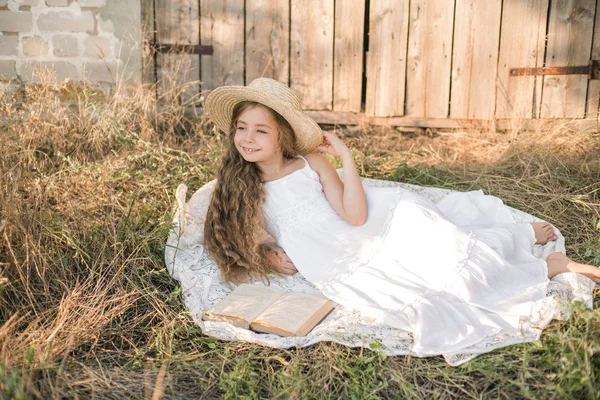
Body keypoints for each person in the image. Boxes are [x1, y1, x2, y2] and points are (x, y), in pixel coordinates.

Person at [202, 78, 599, 356]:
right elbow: (235, 235)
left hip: (369, 232)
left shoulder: (311, 163)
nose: (247, 139)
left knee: (449, 260)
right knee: (425, 302)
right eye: (241, 128)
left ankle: (544, 261)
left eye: (260, 131)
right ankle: (543, 263)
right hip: (334, 262)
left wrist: (346, 158)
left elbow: (354, 215)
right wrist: (269, 251)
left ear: (283, 137)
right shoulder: (239, 184)